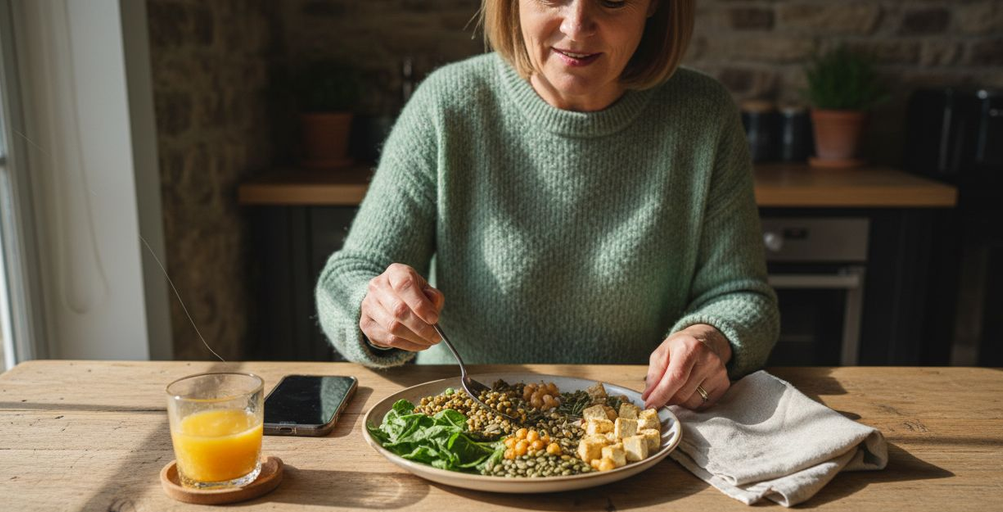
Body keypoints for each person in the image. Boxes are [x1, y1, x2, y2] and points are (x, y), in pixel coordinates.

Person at [316, 0, 778, 411]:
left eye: (612, 1)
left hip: (633, 425)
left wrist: (708, 338)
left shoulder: (703, 115)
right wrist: (372, 309)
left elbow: (741, 296)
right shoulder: (448, 104)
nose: (577, 25)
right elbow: (348, 275)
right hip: (464, 420)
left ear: (655, 5)